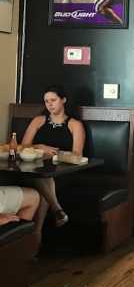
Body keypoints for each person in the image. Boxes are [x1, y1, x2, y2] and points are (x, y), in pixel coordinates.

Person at [21, 85, 86, 228]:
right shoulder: (39, 120)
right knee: (41, 178)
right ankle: (57, 211)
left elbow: (77, 154)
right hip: (35, 168)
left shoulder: (75, 124)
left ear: (63, 100)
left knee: (43, 181)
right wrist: (39, 147)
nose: (49, 104)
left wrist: (57, 154)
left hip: (63, 171)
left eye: (53, 100)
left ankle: (37, 234)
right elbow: (23, 146)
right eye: (46, 101)